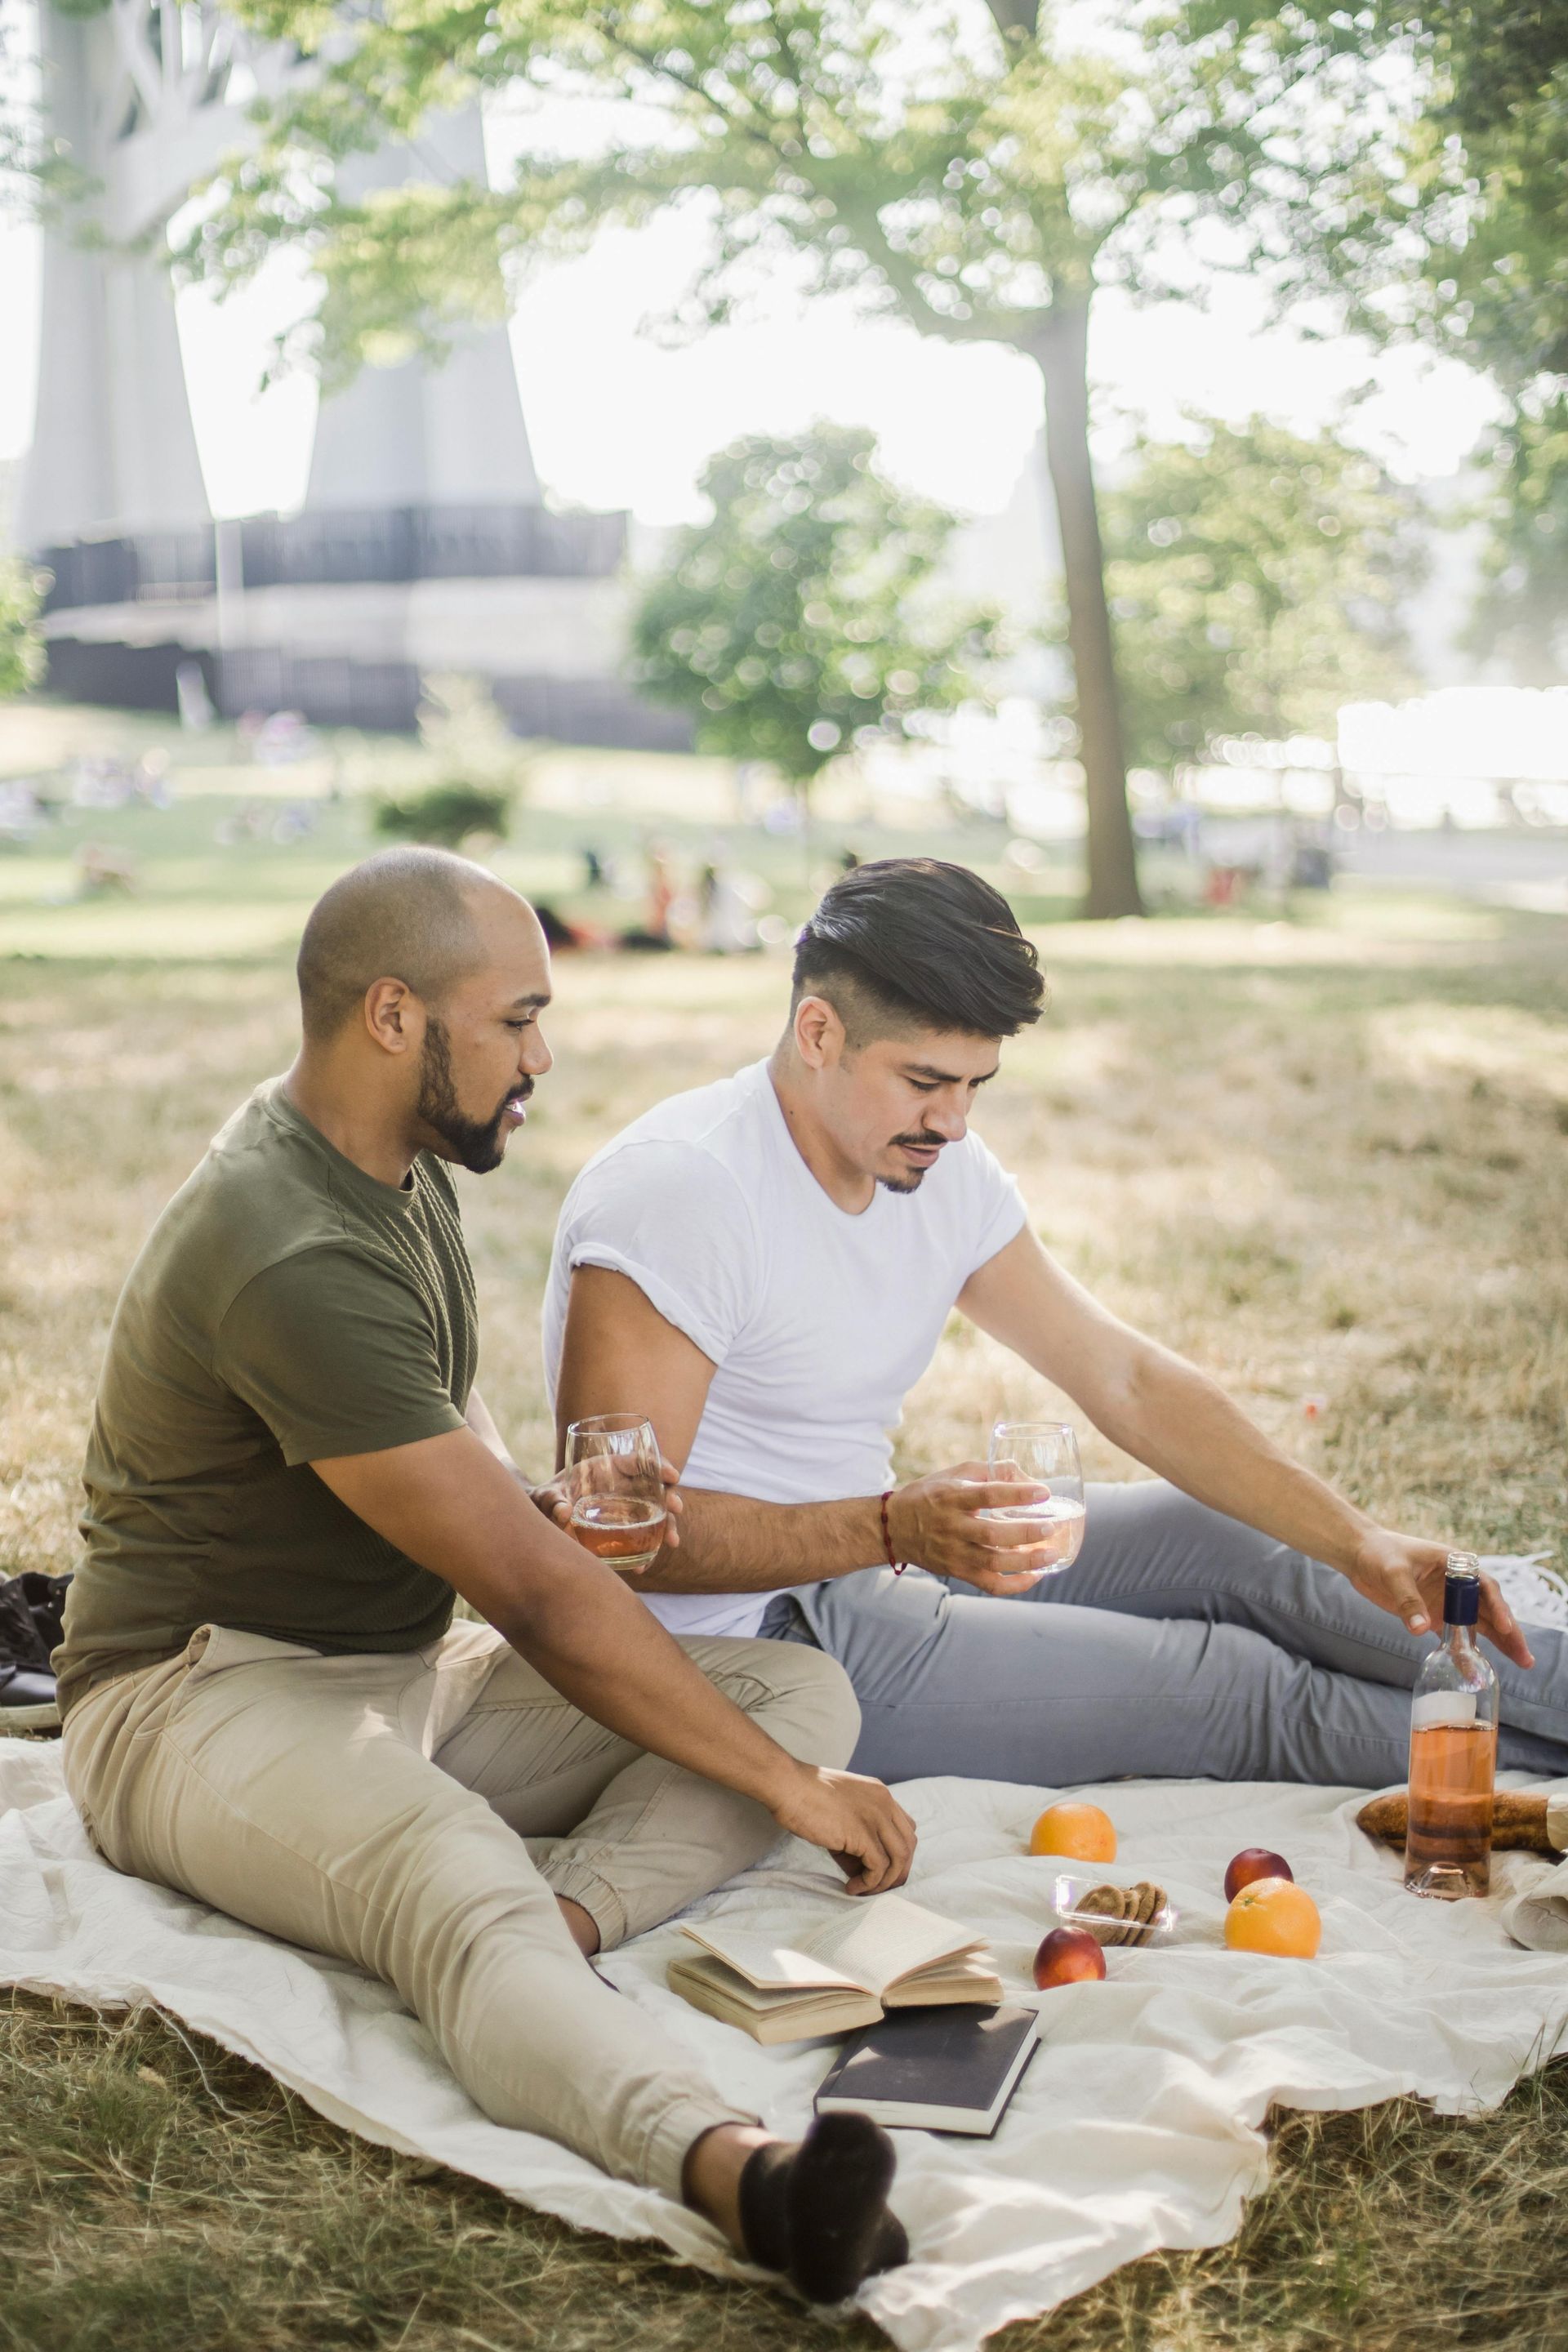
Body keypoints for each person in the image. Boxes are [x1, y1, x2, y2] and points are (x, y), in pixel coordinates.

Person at [53, 847, 914, 2305]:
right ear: (395, 1017)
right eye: (516, 1021)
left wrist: (544, 1501)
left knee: (791, 1688)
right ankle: (740, 2173)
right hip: (193, 1699)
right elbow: (537, 1599)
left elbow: (454, 1465)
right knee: (493, 1860)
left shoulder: (389, 1168)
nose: (544, 1057)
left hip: (392, 1680)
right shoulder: (291, 1247)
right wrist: (785, 1796)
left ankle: (554, 1925)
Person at [546, 856, 1568, 1792]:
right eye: (925, 1081)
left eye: (976, 1086)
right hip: (755, 1641)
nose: (953, 1121)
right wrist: (891, 1527)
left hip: (878, 1548)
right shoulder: (684, 1195)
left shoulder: (935, 1166)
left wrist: (1359, 1538)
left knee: (1257, 1551)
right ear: (818, 1033)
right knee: (1238, 1686)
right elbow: (625, 1548)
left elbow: (1119, 1376)